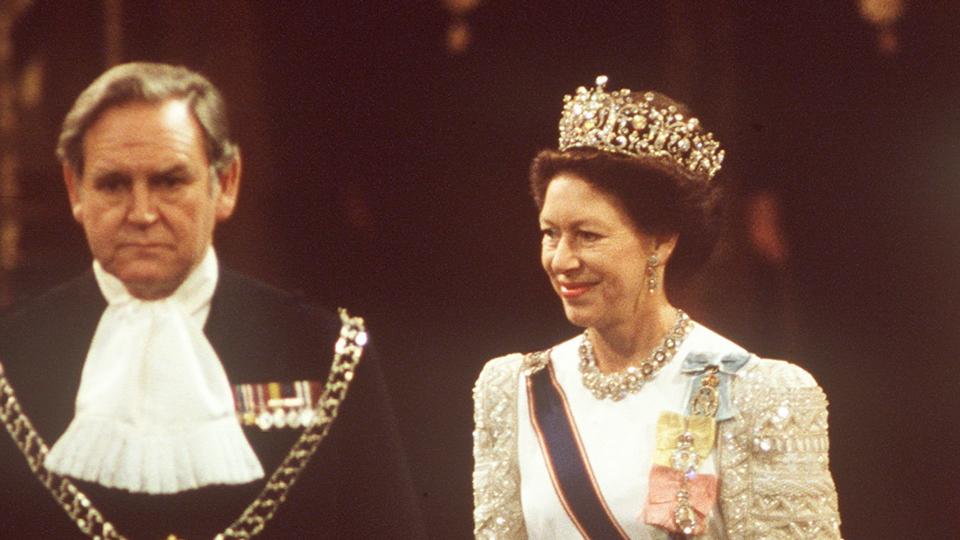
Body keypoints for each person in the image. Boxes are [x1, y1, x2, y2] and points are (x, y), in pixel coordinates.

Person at [0, 62, 423, 539]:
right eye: (114, 184)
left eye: (170, 181)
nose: (141, 212)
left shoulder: (324, 349)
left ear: (225, 183)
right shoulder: (11, 355)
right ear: (76, 190)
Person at [472, 76, 841, 538]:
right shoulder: (515, 391)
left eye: (588, 235)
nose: (562, 260)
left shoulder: (757, 393)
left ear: (661, 241)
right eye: (550, 233)